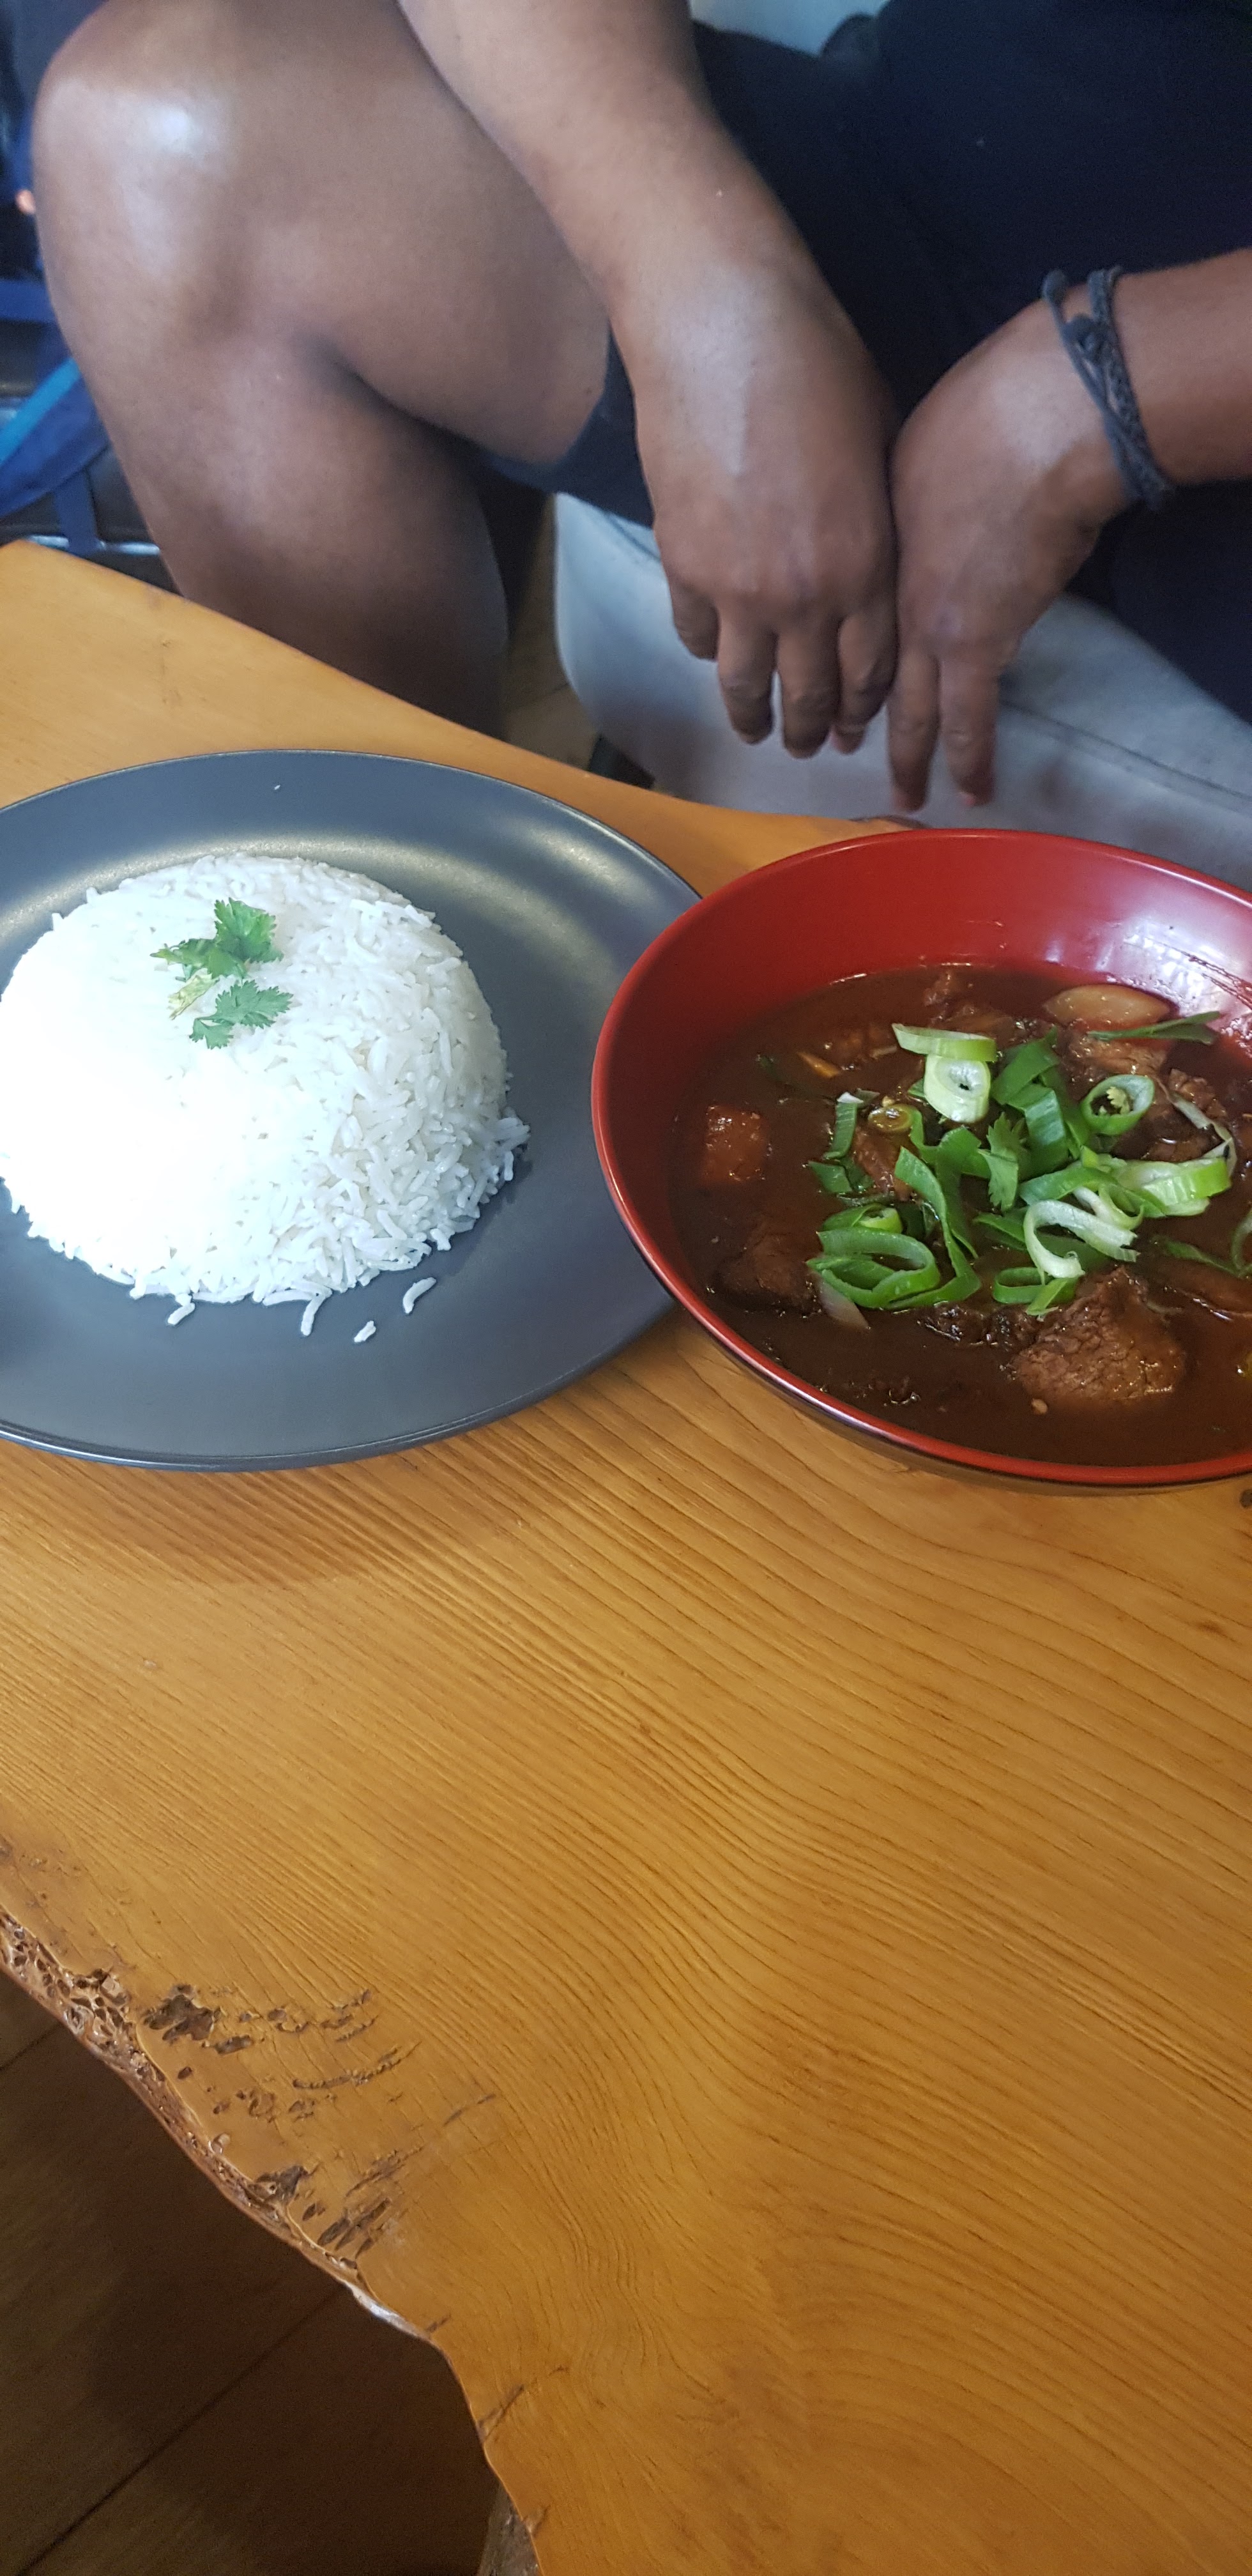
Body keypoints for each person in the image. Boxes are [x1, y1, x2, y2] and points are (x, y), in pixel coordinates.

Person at [19, 0, 1252, 807]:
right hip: (951, 156)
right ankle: (406, 955)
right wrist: (710, 297)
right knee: (160, 134)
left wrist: (1100, 397)